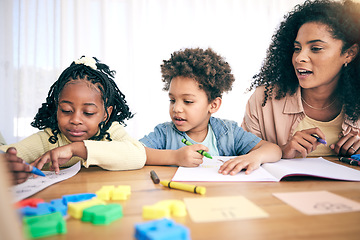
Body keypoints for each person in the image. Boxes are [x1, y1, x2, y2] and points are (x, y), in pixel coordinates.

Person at [241, 0, 360, 159]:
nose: (299, 58)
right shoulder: (264, 99)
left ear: (349, 54)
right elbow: (241, 156)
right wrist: (281, 152)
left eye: (316, 48)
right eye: (297, 49)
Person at [0, 56, 146, 184]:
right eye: (66, 111)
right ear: (57, 108)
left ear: (106, 114)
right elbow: (5, 154)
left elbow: (138, 155)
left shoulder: (110, 131)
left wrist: (76, 149)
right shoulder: (50, 139)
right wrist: (7, 164)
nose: (75, 120)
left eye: (88, 113)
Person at [140, 48, 282, 175]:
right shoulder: (164, 133)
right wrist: (175, 157)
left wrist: (254, 156)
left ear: (213, 105)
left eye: (188, 101)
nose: (176, 108)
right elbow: (134, 152)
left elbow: (274, 150)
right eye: (172, 100)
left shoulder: (229, 132)